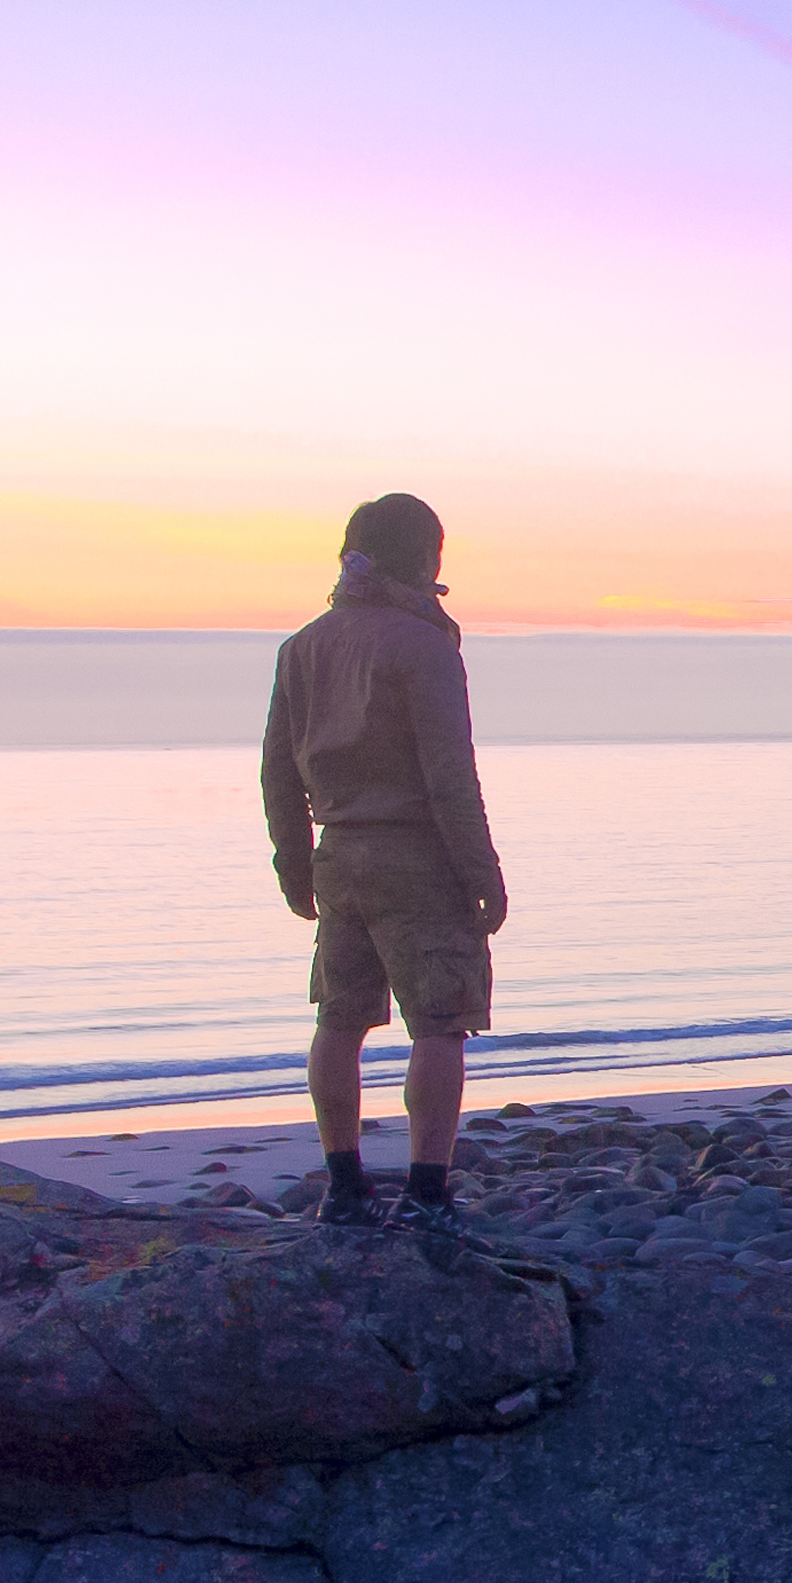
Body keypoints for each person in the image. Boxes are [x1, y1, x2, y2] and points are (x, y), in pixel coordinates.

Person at [260, 494, 510, 1230]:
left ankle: (345, 1188)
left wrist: (293, 863)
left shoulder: (302, 647)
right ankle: (427, 1194)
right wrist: (481, 871)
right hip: (417, 855)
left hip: (338, 852)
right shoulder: (422, 646)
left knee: (339, 1021)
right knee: (439, 1024)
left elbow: (278, 772)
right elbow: (449, 774)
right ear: (425, 558)